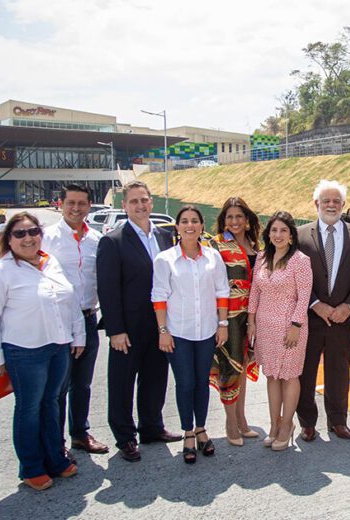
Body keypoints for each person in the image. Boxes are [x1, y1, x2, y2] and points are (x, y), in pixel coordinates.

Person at [0, 212, 83, 491]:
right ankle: (32, 467)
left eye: (33, 231)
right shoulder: (1, 272)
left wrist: (78, 335)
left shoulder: (50, 262)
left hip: (58, 345)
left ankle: (55, 460)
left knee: (51, 403)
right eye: (20, 233)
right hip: (24, 352)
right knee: (29, 408)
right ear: (9, 239)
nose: (28, 238)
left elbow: (70, 300)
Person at [97, 180, 181, 463]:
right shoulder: (113, 241)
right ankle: (125, 437)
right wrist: (115, 330)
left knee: (155, 378)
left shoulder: (165, 237)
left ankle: (152, 427)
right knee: (122, 383)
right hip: (128, 328)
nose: (140, 205)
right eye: (134, 201)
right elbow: (107, 290)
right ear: (124, 206)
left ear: (151, 202)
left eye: (144, 200)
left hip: (160, 325)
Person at [152, 206, 230, 464]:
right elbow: (159, 296)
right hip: (178, 332)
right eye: (184, 221)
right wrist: (163, 331)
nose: (189, 225)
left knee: (201, 382)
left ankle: (201, 429)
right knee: (185, 383)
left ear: (201, 226)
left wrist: (223, 324)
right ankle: (187, 431)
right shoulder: (165, 259)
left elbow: (222, 291)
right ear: (177, 227)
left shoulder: (213, 258)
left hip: (207, 331)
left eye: (194, 221)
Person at [296, 180, 350, 442]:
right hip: (310, 316)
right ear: (316, 203)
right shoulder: (300, 235)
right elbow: (295, 275)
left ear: (343, 205)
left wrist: (349, 306)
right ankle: (307, 422)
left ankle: (338, 420)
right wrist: (315, 304)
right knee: (305, 372)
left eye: (336, 201)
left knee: (339, 371)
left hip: (342, 317)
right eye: (326, 201)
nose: (331, 205)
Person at [41, 184, 109, 456]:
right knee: (58, 387)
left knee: (82, 383)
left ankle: (80, 433)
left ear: (89, 206)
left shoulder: (97, 239)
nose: (76, 208)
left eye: (82, 203)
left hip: (88, 317)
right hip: (58, 321)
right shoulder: (47, 238)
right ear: (60, 204)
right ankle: (55, 443)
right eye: (71, 203)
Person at [247, 211, 313, 450]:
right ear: (268, 233)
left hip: (289, 327)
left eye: (283, 230)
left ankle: (287, 425)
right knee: (272, 376)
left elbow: (304, 297)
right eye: (274, 230)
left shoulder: (300, 260)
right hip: (265, 327)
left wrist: (296, 325)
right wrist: (251, 320)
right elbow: (255, 291)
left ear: (291, 234)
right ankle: (274, 425)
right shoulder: (262, 257)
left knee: (289, 376)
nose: (278, 235)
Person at [208, 197, 261, 446]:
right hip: (227, 317)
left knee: (243, 366)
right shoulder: (216, 244)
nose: (234, 221)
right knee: (230, 368)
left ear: (247, 219)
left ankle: (242, 420)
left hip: (251, 317)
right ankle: (230, 423)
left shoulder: (254, 244)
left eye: (239, 216)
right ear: (223, 220)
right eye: (229, 217)